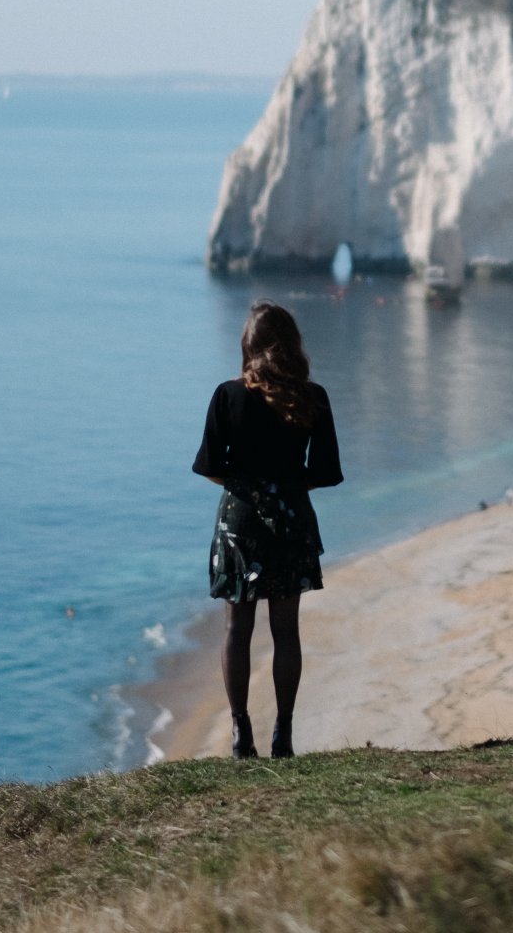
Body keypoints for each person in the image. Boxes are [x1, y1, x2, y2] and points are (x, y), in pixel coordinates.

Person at [193, 301, 344, 759]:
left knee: (237, 629)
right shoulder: (313, 397)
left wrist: (246, 486)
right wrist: (287, 488)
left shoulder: (227, 394)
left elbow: (208, 467)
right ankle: (284, 731)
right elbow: (327, 471)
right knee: (286, 631)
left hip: (240, 517)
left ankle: (241, 733)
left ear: (248, 346)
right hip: (291, 518)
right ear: (293, 345)